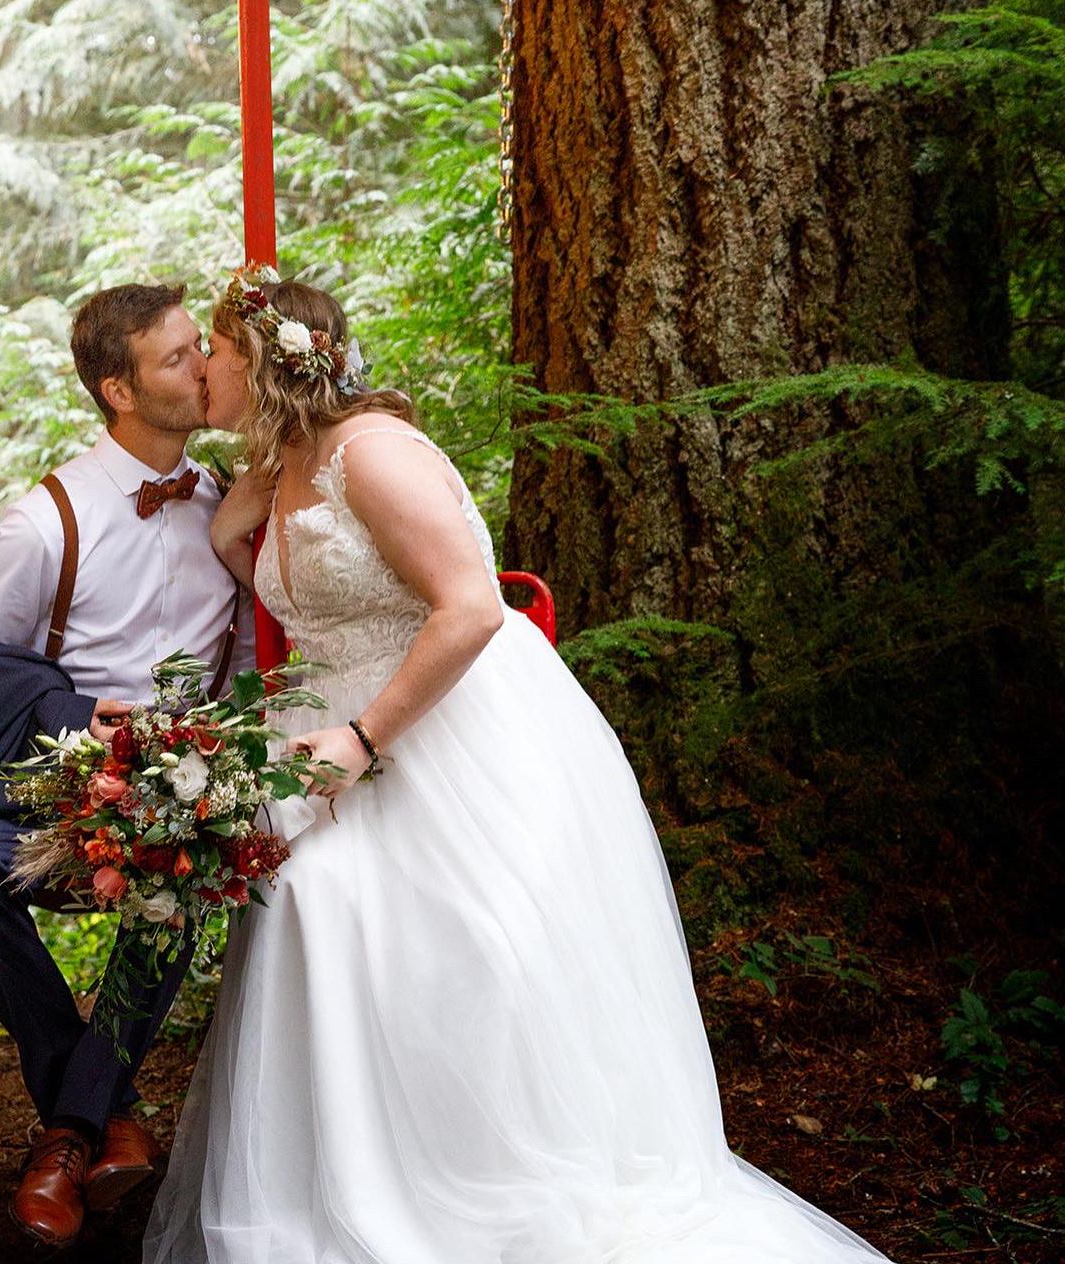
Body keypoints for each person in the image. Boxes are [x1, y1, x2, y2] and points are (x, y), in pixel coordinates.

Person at [144, 273, 893, 1262]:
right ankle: (343, 1186)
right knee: (309, 914)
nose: (201, 371)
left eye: (219, 355)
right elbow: (307, 597)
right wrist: (236, 521)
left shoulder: (374, 454)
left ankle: (486, 1182)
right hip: (332, 733)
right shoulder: (282, 463)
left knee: (452, 951)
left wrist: (367, 739)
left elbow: (472, 608)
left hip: (444, 728)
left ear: (271, 365)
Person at [0, 283, 250, 1249]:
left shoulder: (228, 509)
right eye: (178, 358)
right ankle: (103, 1104)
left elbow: (254, 661)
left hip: (185, 786)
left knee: (190, 861)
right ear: (117, 391)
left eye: (197, 350)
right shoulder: (45, 522)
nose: (203, 366)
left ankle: (67, 1136)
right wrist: (79, 714)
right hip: (64, 781)